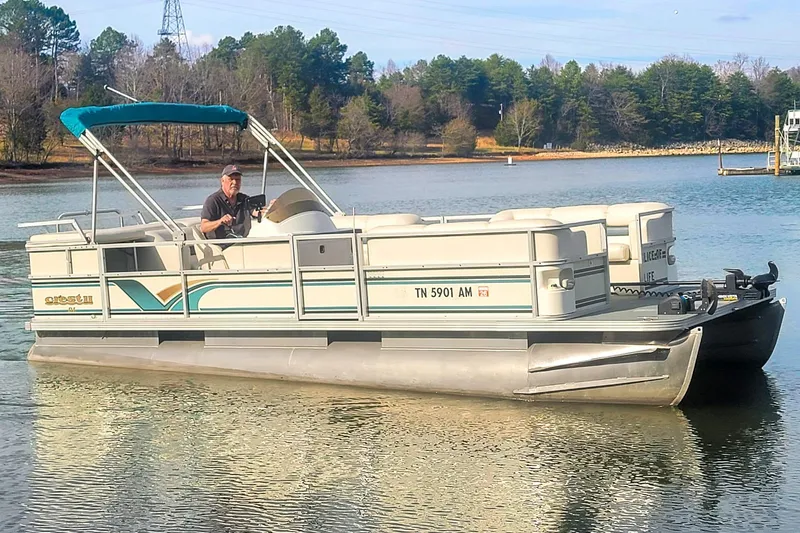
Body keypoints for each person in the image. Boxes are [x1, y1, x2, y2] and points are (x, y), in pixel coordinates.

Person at [200, 164, 271, 241]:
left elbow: (257, 212)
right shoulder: (213, 200)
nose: (234, 183)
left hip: (241, 242)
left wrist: (272, 208)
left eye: (237, 179)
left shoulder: (244, 199)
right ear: (222, 181)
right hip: (221, 245)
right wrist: (220, 221)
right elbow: (204, 227)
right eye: (231, 179)